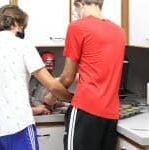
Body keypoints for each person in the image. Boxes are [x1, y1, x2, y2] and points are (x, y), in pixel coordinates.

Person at [46, 0, 126, 150]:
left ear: (80, 3)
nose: (76, 13)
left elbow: (67, 77)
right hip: (110, 113)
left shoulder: (78, 27)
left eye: (75, 8)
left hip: (85, 110)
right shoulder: (119, 32)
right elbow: (100, 71)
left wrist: (51, 96)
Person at [0, 5, 72, 150]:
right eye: (22, 26)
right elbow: (52, 85)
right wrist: (74, 99)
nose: (22, 30)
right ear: (15, 23)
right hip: (18, 126)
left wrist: (34, 109)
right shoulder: (23, 45)